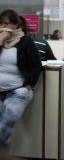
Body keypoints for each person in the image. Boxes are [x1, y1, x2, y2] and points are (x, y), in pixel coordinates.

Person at [0, 9, 42, 151]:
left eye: (6, 24)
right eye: (0, 24)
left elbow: (36, 65)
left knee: (5, 124)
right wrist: (1, 39)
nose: (2, 27)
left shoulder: (25, 41)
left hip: (17, 91)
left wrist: (29, 85)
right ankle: (3, 151)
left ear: (16, 25)